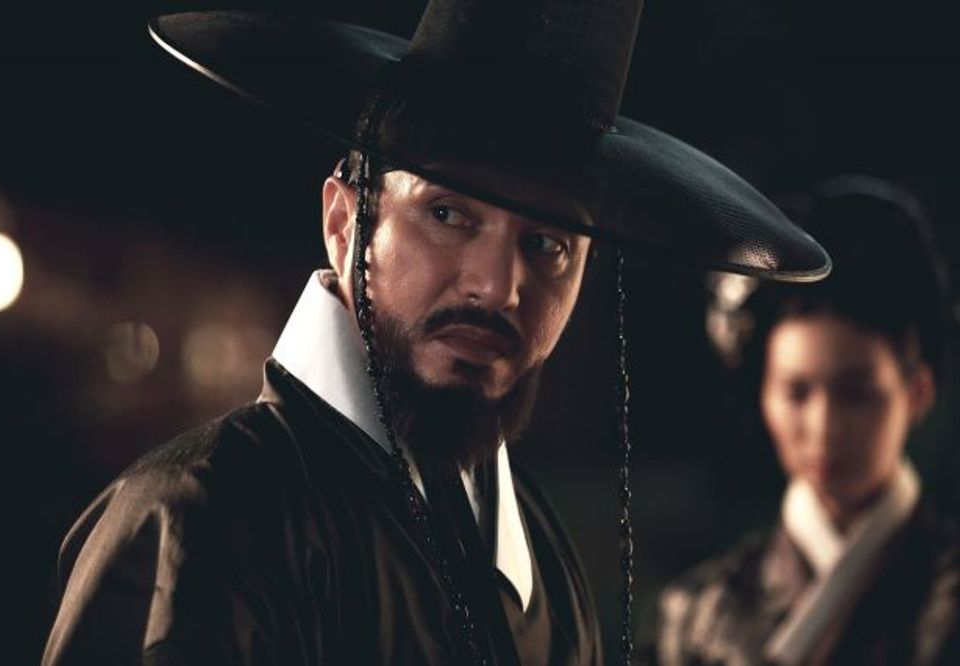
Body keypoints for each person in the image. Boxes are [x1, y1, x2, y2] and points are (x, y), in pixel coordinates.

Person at [41, 2, 830, 664]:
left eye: (547, 243)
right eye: (448, 214)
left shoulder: (539, 561)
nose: (498, 285)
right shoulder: (203, 517)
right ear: (346, 225)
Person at [655, 175, 959, 665]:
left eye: (856, 394)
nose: (824, 426)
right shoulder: (699, 614)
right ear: (764, 394)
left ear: (917, 393)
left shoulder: (947, 602)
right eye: (796, 393)